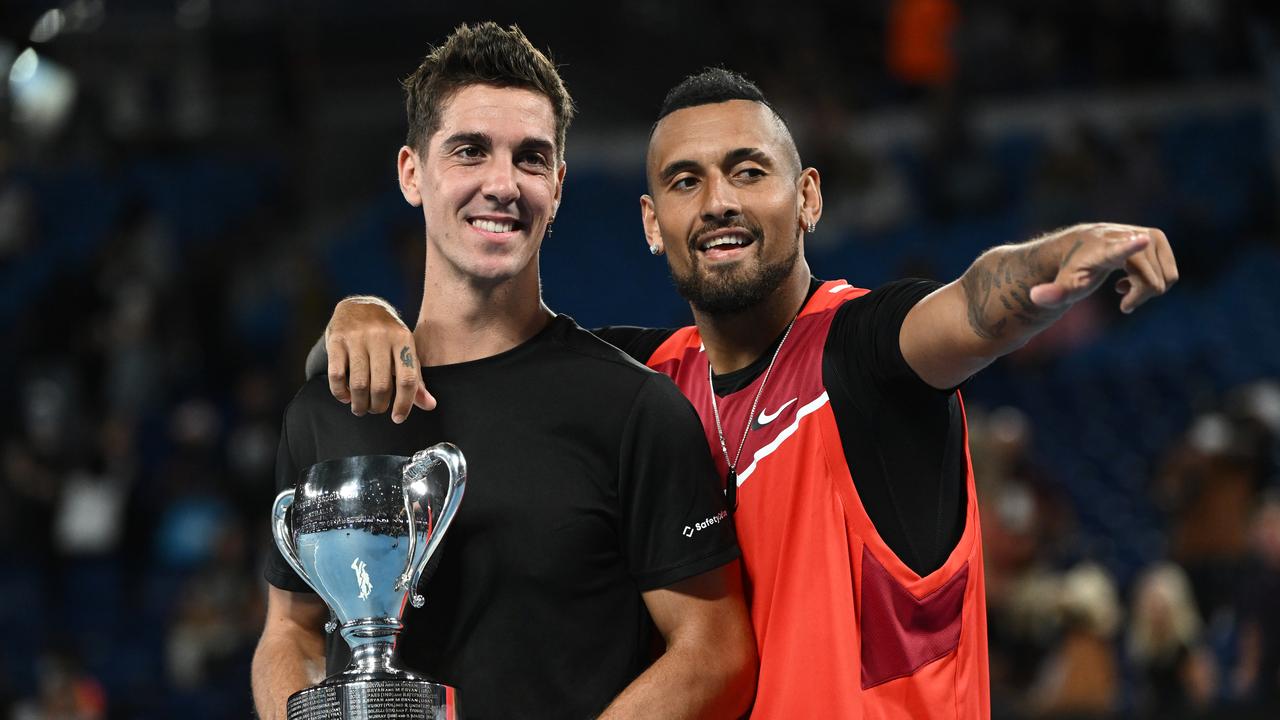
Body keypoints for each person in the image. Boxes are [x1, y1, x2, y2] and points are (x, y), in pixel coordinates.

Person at [316, 69, 1179, 718]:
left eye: (747, 171)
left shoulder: (865, 353)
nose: (719, 202)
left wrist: (1051, 264)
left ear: (807, 198)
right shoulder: (645, 381)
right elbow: (466, 351)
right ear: (654, 226)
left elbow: (972, 306)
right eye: (686, 182)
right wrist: (359, 317)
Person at [251, 26, 756, 720]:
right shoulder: (329, 406)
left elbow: (716, 650)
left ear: (557, 184)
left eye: (531, 158)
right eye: (470, 151)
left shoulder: (633, 407)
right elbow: (290, 629)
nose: (502, 184)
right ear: (410, 172)